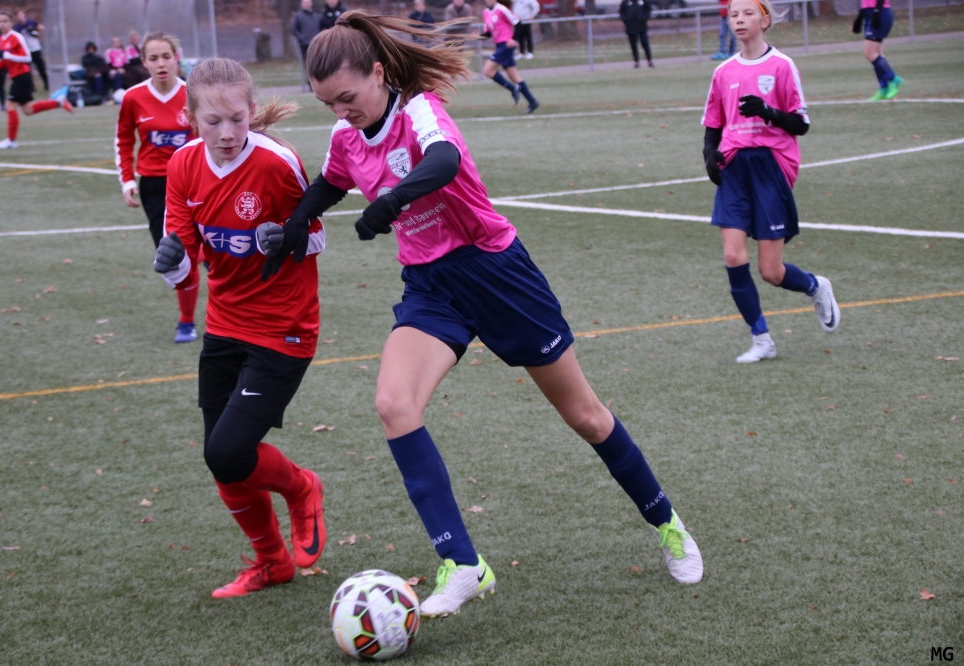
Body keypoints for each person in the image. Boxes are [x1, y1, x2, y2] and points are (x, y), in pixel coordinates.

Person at [260, 11, 703, 618]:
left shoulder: (419, 110)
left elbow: (442, 162)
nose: (340, 112)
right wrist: (294, 224)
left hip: (496, 275)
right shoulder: (345, 135)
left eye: (347, 98)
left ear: (379, 74)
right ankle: (463, 563)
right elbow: (331, 182)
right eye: (328, 104)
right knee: (394, 404)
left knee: (585, 416)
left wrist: (391, 201)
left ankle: (668, 523)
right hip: (431, 287)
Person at [153, 56, 328, 599]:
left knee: (227, 452)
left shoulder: (278, 163)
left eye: (237, 119)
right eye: (213, 121)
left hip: (284, 329)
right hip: (224, 325)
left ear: (252, 111)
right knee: (223, 461)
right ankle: (272, 562)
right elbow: (185, 262)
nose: (227, 133)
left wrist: (288, 238)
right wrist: (171, 264)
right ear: (191, 118)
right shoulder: (183, 166)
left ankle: (302, 488)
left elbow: (318, 235)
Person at [702, 0, 840, 364]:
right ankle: (761, 339)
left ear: (764, 20)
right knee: (733, 255)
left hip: (771, 166)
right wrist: (710, 155)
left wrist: (767, 111)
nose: (739, 20)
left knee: (771, 272)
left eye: (748, 13)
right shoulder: (723, 71)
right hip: (734, 165)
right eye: (733, 14)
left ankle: (816, 286)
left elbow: (801, 124)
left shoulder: (782, 65)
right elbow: (713, 123)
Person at [116, 32, 201, 343]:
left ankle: (187, 322)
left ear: (177, 57)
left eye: (167, 56)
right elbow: (124, 140)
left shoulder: (194, 94)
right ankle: (189, 313)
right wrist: (127, 179)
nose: (161, 63)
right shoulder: (133, 98)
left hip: (194, 181)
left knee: (207, 250)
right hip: (154, 185)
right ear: (144, 62)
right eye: (153, 58)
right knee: (173, 257)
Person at [0, 10, 73, 149]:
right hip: (17, 77)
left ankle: (11, 141)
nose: (1, 24)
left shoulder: (16, 37)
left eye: (5, 21)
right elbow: (5, 61)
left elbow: (27, 57)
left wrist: (10, 56)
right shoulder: (1, 39)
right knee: (28, 110)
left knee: (10, 105)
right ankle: (58, 102)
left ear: (11, 22)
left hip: (22, 76)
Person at [480, 0, 539, 113]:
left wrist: (513, 39)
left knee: (487, 70)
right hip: (499, 46)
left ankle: (512, 88)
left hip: (506, 45)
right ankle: (532, 102)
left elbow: (518, 23)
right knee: (514, 76)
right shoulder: (486, 12)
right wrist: (477, 36)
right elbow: (488, 33)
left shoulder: (501, 9)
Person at [853, 0, 903, 100]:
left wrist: (877, 9)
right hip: (869, 13)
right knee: (877, 53)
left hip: (880, 11)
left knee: (870, 53)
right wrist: (861, 14)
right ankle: (884, 89)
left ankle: (894, 80)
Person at [13, 10, 48, 91]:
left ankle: (47, 84)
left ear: (24, 15)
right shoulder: (16, 27)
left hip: (36, 48)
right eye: (18, 16)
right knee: (28, 70)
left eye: (21, 15)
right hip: (26, 51)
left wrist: (35, 30)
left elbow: (41, 28)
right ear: (17, 18)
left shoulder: (31, 22)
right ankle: (31, 87)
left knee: (41, 67)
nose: (20, 17)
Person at [619, 0, 653, 68]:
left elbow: (648, 9)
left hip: (642, 26)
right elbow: (622, 12)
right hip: (630, 27)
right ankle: (636, 62)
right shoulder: (625, 2)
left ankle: (649, 61)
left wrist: (644, 18)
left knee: (645, 43)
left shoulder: (643, 1)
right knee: (633, 45)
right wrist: (626, 20)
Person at [292, 0, 321, 73]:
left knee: (317, 63)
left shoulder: (316, 16)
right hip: (305, 45)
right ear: (302, 4)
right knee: (307, 64)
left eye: (309, 2)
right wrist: (302, 38)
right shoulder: (298, 16)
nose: (307, 4)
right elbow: (294, 29)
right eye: (305, 2)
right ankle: (308, 78)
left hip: (316, 45)